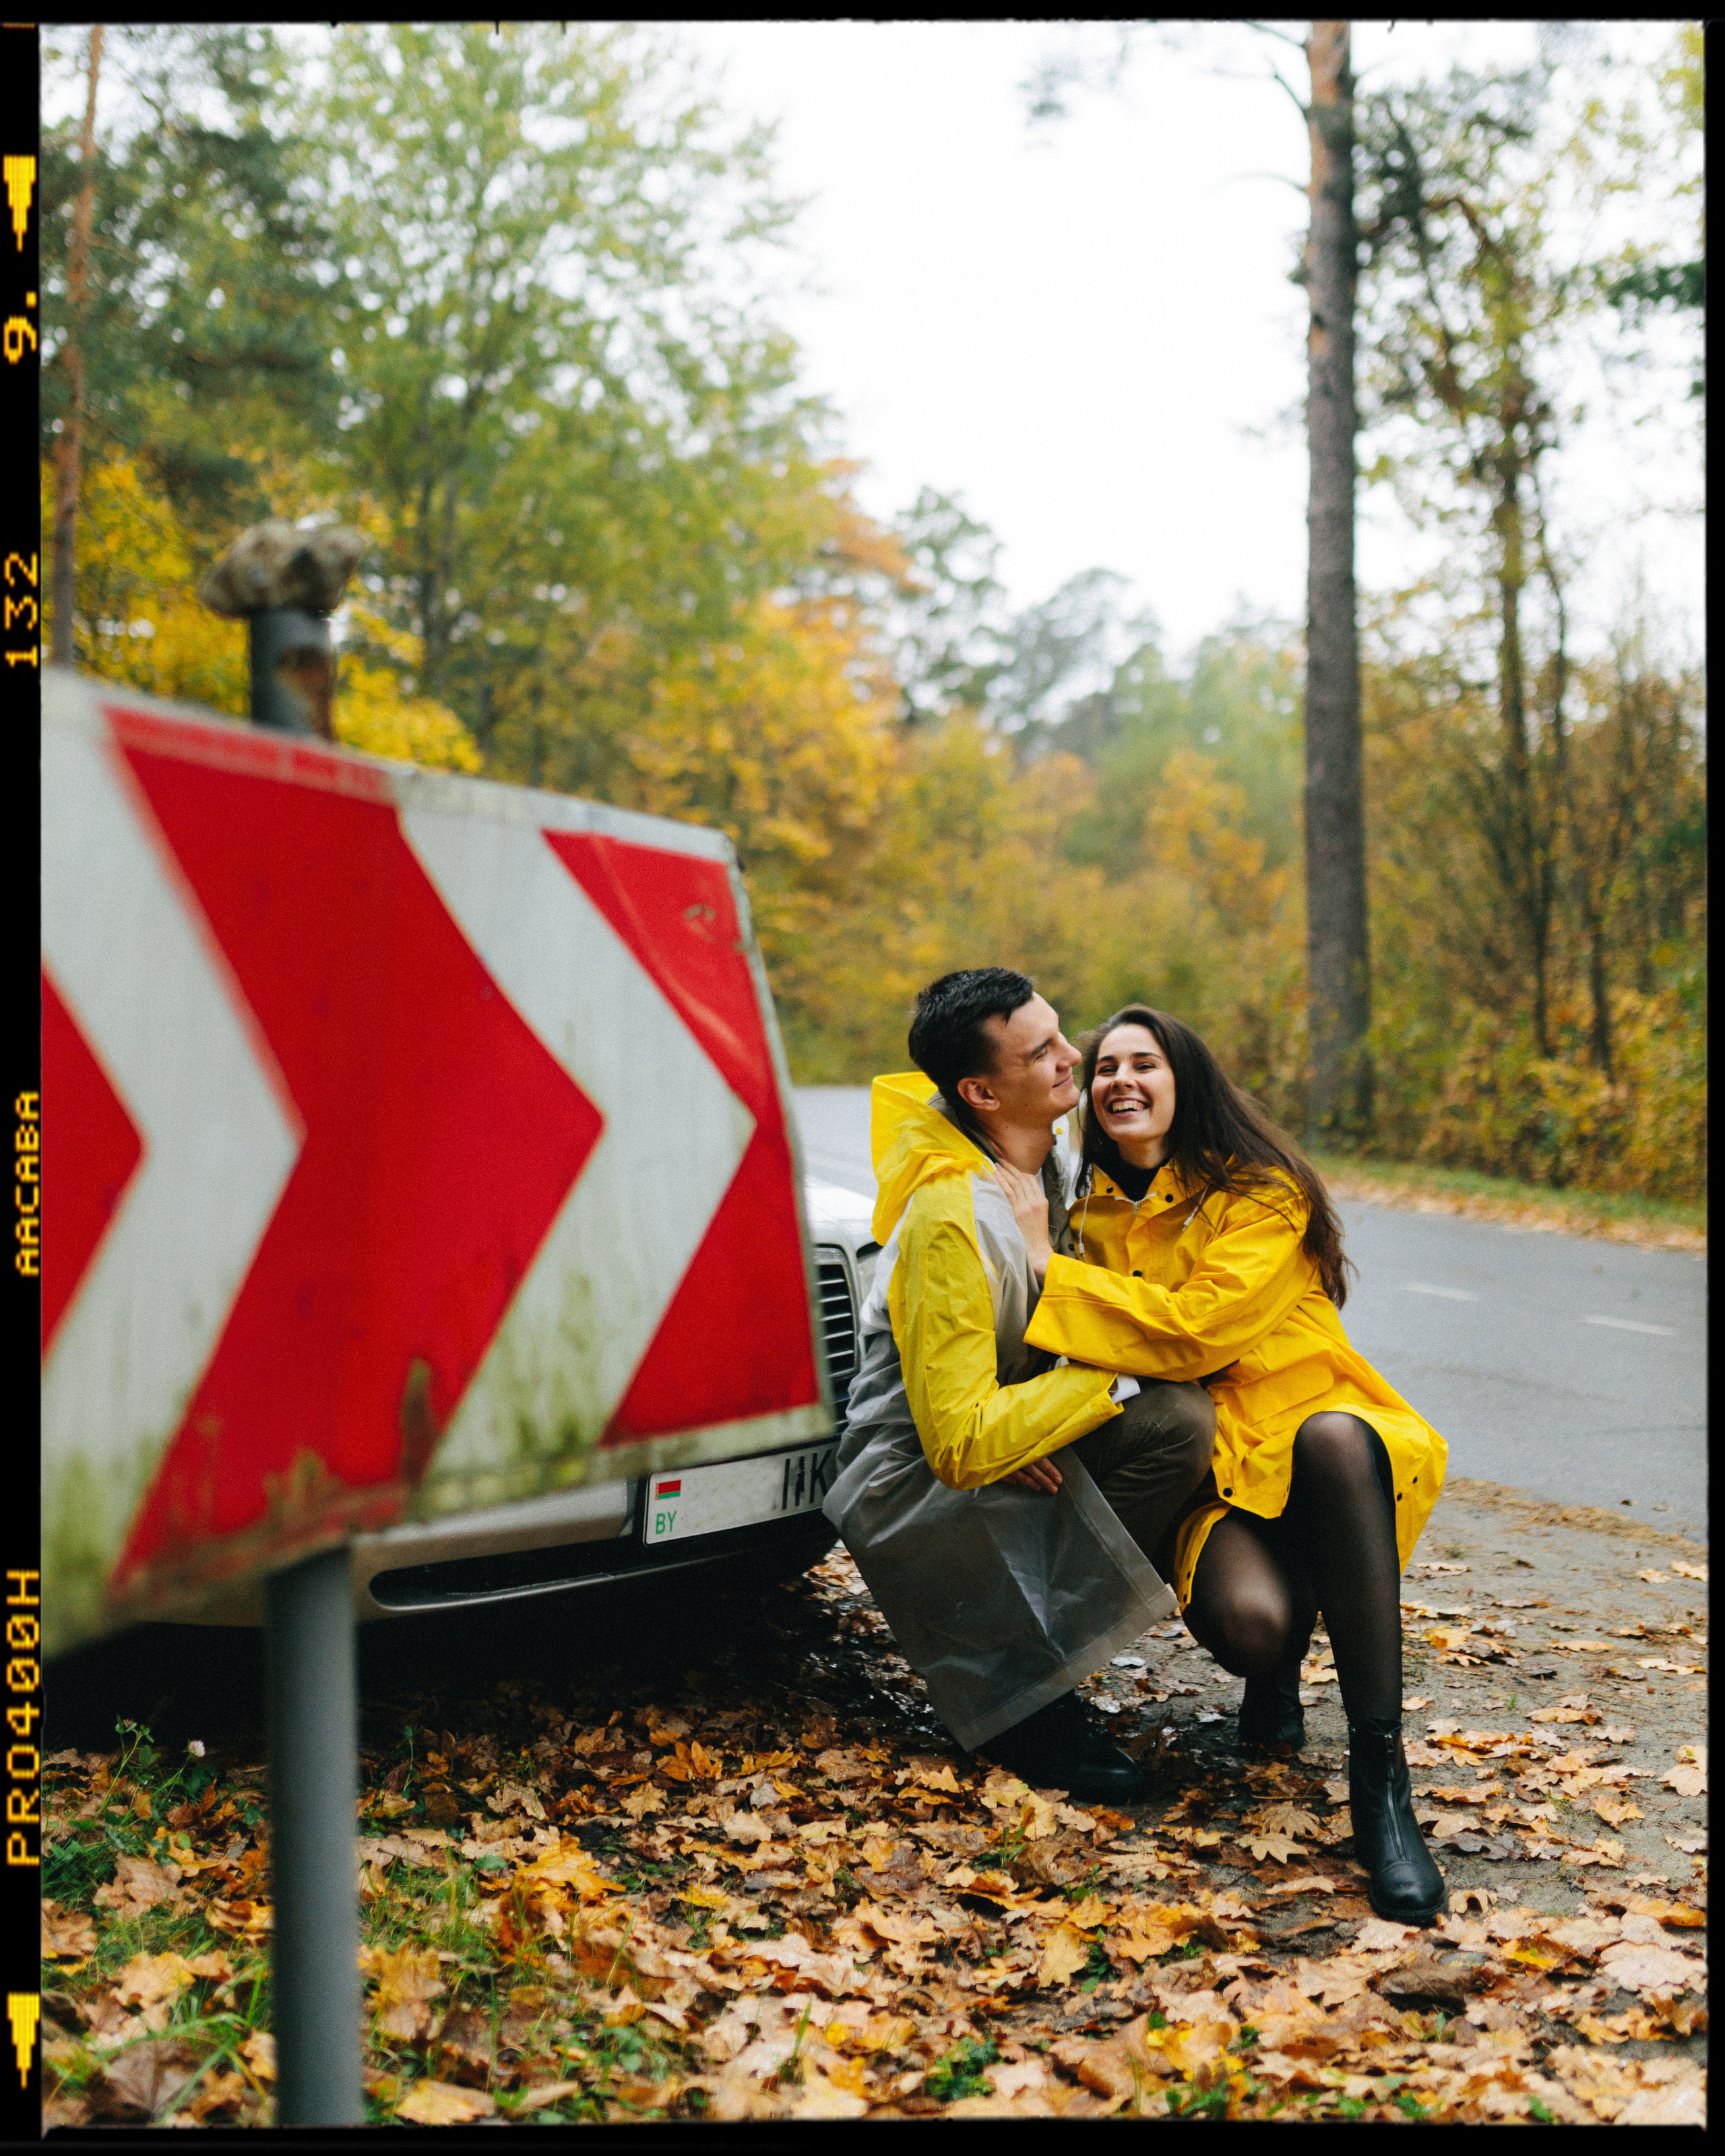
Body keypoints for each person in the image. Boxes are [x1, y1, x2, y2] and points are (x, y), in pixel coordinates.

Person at [1001, 1003, 1449, 1925]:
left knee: (1332, 1443)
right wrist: (1016, 1430)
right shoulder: (1089, 1209)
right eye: (1105, 1068)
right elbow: (1079, 1356)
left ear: (1186, 1080)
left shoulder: (1261, 1192)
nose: (1120, 1079)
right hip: (1221, 1457)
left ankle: (1383, 1785)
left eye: (1145, 1063)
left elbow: (1195, 1333)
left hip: (1312, 1428)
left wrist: (1050, 1267)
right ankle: (1277, 1670)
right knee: (1252, 1628)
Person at [821, 970, 1218, 1803]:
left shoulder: (1055, 1159)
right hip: (918, 1474)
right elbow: (960, 1441)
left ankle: (1042, 1662)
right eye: (1042, 1051)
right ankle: (1020, 1703)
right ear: (980, 1091)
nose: (1074, 1056)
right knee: (1156, 1406)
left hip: (998, 1425)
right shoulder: (949, 1211)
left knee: (1181, 1421)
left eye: (1060, 1031)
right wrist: (1109, 1365)